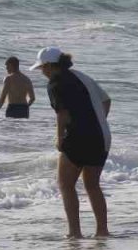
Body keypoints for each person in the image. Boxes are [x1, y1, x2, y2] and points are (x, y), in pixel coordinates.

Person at [31, 47, 111, 238]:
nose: (42, 72)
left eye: (42, 68)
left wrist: (59, 138)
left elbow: (63, 114)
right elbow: (106, 100)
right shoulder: (81, 76)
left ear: (50, 66)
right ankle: (102, 231)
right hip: (101, 136)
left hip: (77, 138)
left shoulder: (55, 83)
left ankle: (75, 233)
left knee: (66, 184)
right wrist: (97, 122)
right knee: (93, 185)